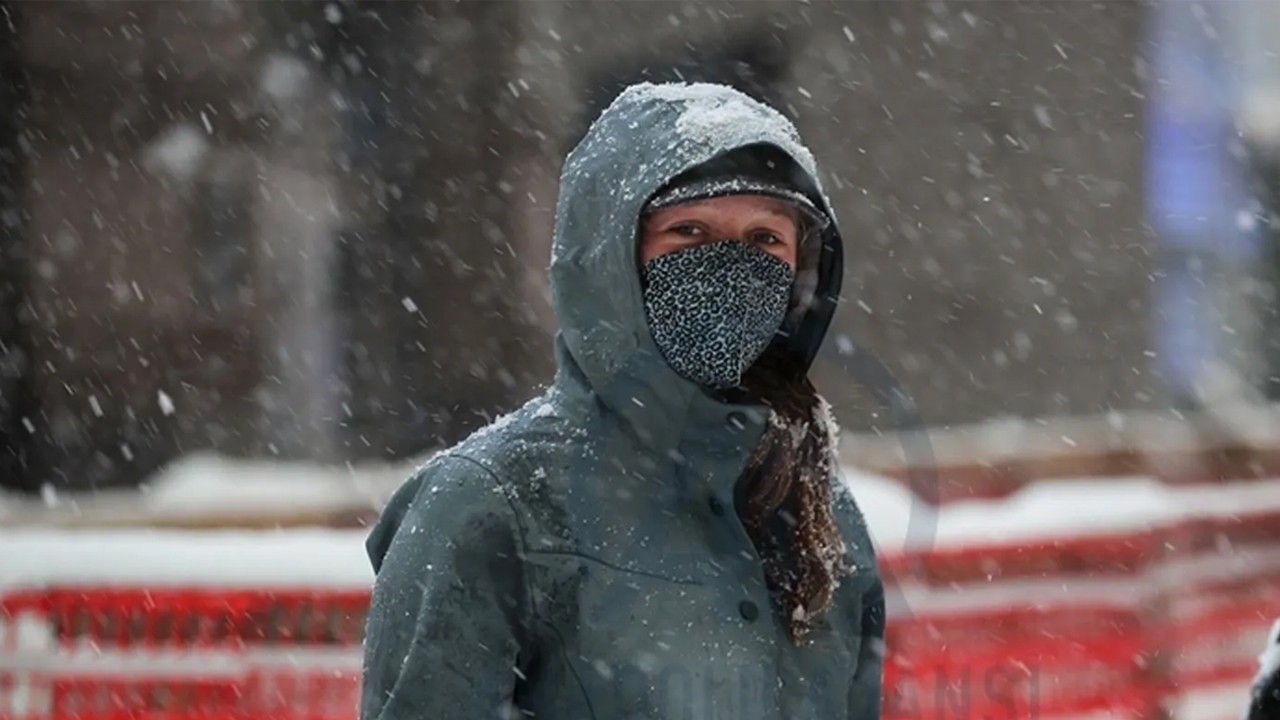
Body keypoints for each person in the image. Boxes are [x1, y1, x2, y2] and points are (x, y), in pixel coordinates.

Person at [359, 82, 884, 720]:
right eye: (688, 231)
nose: (730, 267)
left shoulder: (814, 503)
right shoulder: (492, 504)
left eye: (765, 241)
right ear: (610, 259)